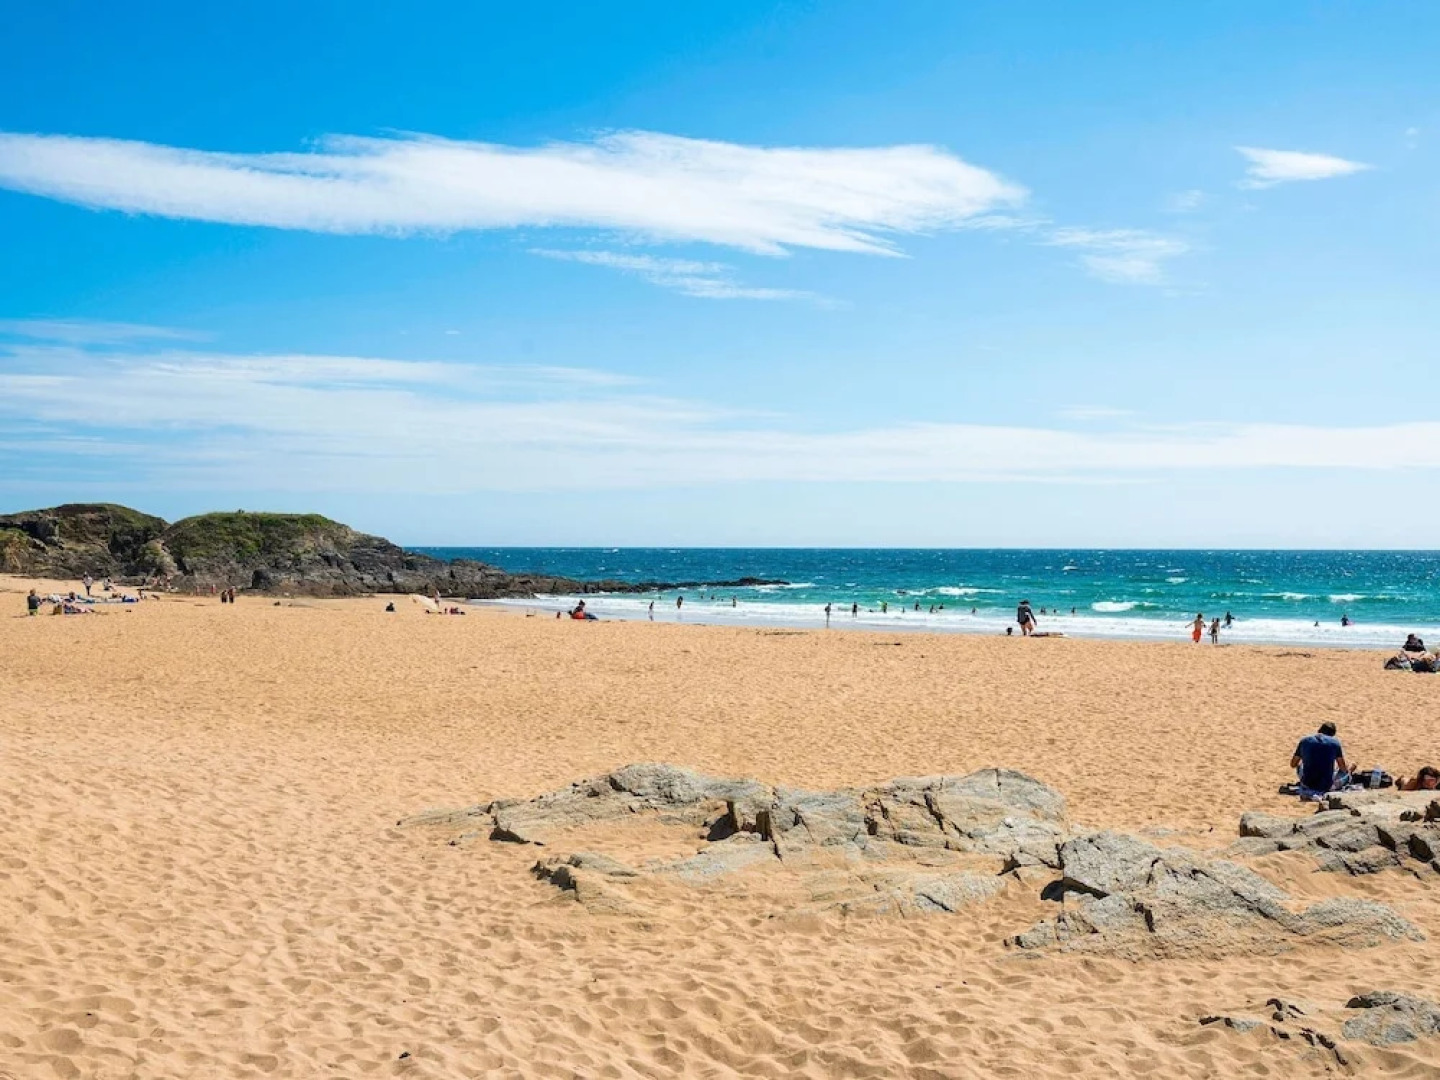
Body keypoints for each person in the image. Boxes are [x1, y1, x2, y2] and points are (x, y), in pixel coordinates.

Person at [1291, 722, 1349, 801]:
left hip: (1307, 783)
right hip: (1326, 785)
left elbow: (1293, 764)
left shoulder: (1304, 741)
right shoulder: (1335, 743)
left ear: (1319, 730)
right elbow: (1342, 768)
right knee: (1345, 772)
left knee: (1300, 765)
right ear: (1332, 734)